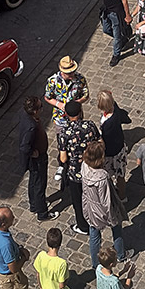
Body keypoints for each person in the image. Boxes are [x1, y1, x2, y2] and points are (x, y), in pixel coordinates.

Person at [82, 140, 131, 270]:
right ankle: (121, 254)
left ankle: (95, 264)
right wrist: (112, 218)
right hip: (102, 209)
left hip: (90, 207)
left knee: (94, 234)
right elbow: (106, 201)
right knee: (117, 228)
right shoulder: (102, 177)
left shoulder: (84, 167)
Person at [44, 56, 90, 186]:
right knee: (62, 142)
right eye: (69, 72)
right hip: (60, 118)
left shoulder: (80, 79)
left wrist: (75, 104)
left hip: (76, 117)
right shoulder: (52, 81)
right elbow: (48, 97)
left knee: (78, 140)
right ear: (62, 71)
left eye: (73, 71)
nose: (72, 74)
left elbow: (86, 95)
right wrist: (59, 105)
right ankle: (62, 165)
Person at [58, 100, 100, 235]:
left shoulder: (64, 133)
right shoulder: (90, 125)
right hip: (92, 168)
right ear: (80, 112)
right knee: (94, 197)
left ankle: (83, 226)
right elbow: (100, 142)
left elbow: (63, 158)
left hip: (75, 174)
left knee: (78, 201)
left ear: (66, 114)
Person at [19, 95, 58, 222]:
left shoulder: (28, 117)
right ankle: (42, 213)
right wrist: (32, 153)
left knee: (33, 181)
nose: (43, 109)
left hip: (36, 159)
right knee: (40, 184)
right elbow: (24, 146)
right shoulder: (31, 127)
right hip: (38, 159)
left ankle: (34, 205)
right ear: (35, 111)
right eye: (41, 107)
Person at [98, 89, 131, 199]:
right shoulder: (115, 108)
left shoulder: (108, 123)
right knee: (120, 174)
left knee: (108, 175)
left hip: (110, 152)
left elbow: (104, 138)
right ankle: (123, 196)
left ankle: (115, 195)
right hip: (120, 146)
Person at [99, 0, 132, 68]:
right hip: (106, 11)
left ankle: (116, 55)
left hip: (116, 12)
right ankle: (124, 37)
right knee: (106, 29)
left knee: (116, 36)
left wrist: (127, 15)